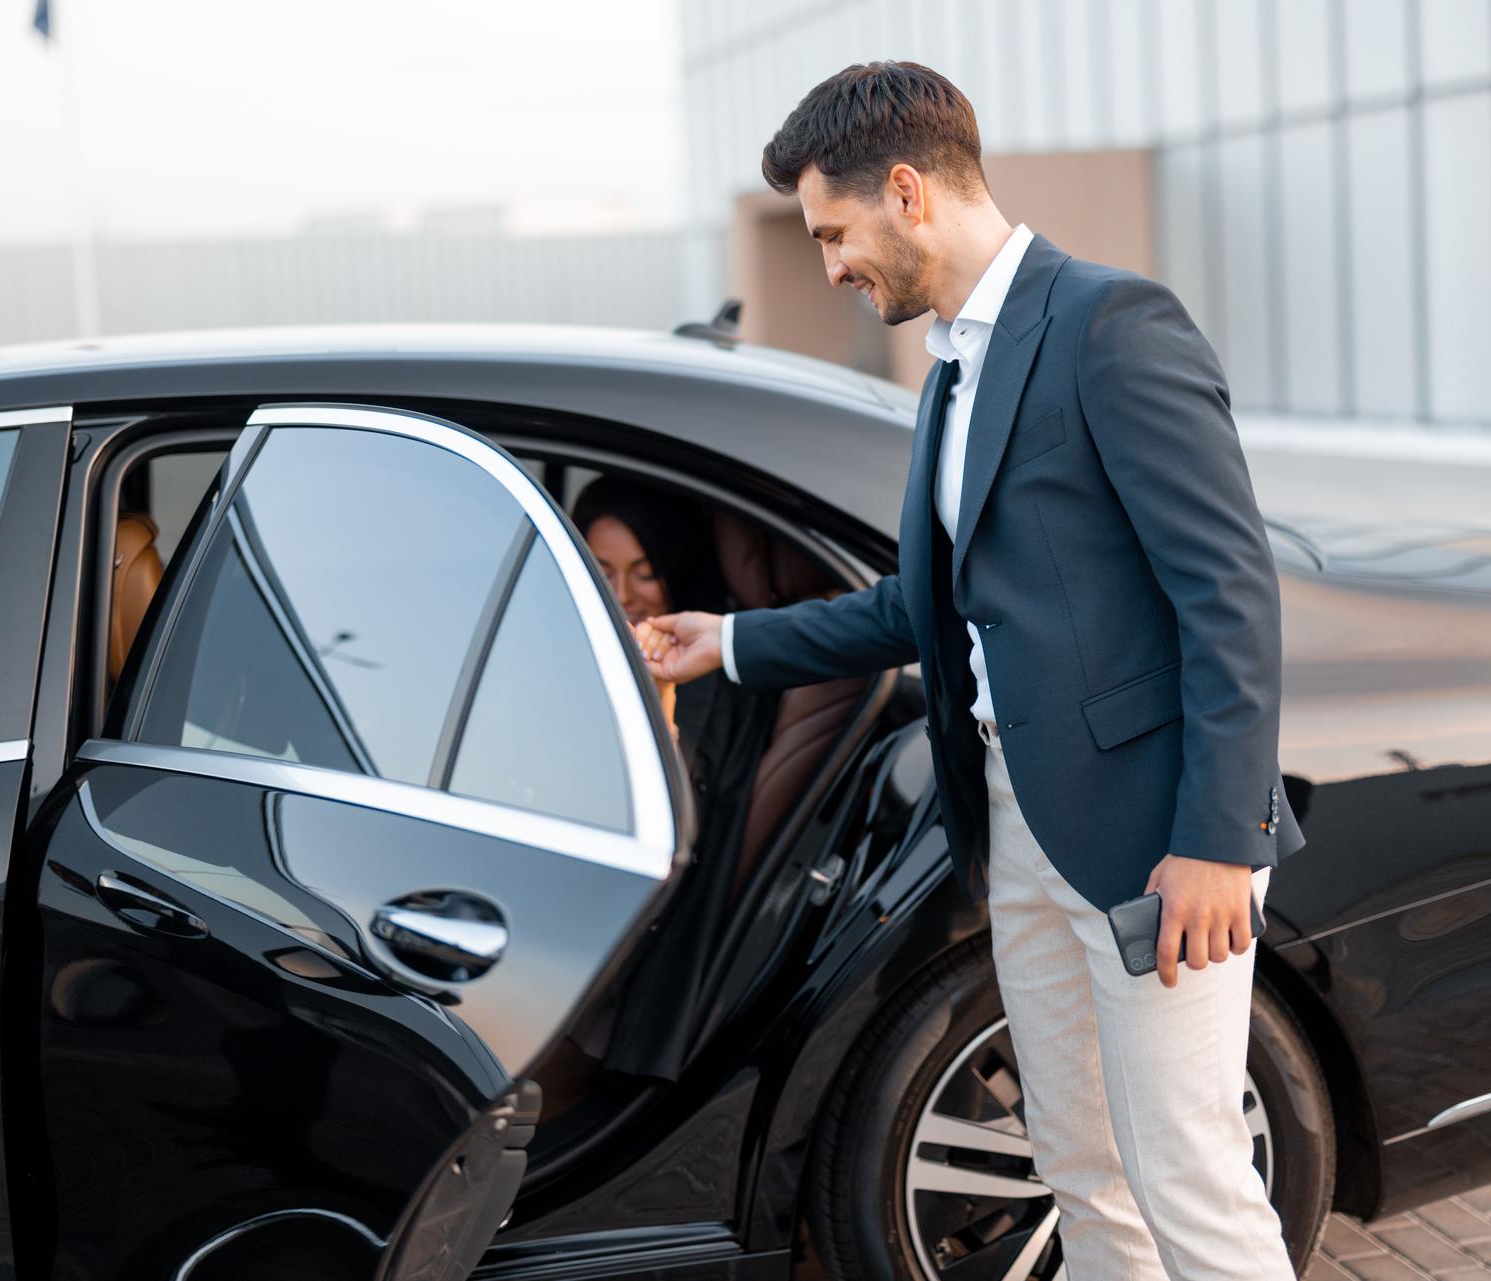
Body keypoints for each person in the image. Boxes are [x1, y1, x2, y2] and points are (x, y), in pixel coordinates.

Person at [637, 62, 1308, 1281]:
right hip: (1015, 819)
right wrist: (727, 641)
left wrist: (1220, 840)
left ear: (907, 190)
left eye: (836, 232)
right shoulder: (953, 361)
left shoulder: (1112, 324)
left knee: (1189, 1174)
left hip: (1153, 836)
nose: (833, 265)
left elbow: (1230, 595)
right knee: (1080, 1164)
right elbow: (928, 607)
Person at [561, 474, 782, 1084]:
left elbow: (661, 817)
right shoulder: (557, 643)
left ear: (677, 574)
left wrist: (660, 691)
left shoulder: (697, 687)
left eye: (645, 572)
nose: (623, 595)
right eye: (600, 569)